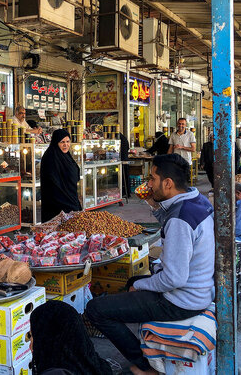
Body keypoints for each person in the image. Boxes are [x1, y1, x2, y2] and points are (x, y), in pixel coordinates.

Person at [86, 154, 214, 375]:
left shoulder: (179, 221)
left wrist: (142, 286)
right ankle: (148, 342)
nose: (149, 184)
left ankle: (147, 366)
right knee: (134, 280)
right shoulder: (196, 200)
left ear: (168, 183)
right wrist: (152, 203)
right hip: (198, 288)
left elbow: (174, 278)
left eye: (153, 179)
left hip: (181, 300)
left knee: (96, 310)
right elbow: (172, 221)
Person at [30, 300, 113, 375]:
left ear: (46, 341)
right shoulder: (96, 366)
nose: (30, 343)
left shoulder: (55, 372)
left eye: (32, 336)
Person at [40, 129, 82, 222]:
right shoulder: (50, 157)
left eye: (67, 141)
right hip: (57, 202)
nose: (65, 145)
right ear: (56, 142)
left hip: (70, 196)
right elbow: (53, 182)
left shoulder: (66, 156)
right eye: (62, 142)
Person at [119, 132, 131, 198]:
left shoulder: (119, 138)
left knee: (123, 177)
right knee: (126, 176)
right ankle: (127, 192)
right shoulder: (124, 138)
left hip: (122, 160)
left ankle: (124, 192)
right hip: (125, 159)